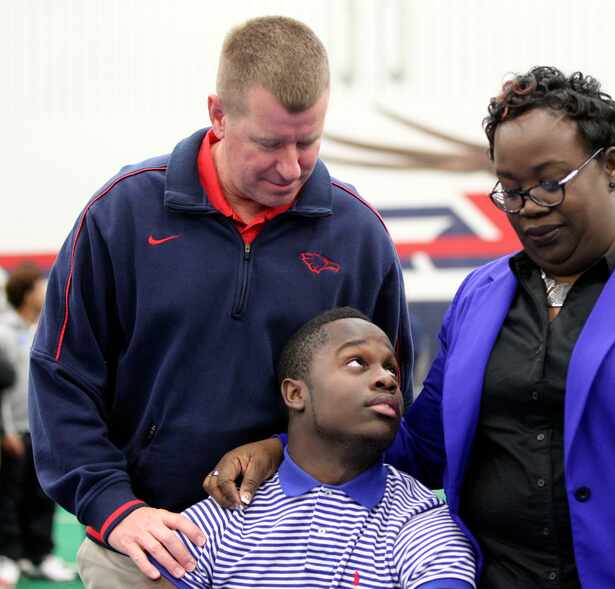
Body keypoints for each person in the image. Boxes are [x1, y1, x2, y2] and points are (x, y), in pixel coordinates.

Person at [208, 66, 615, 588]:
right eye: (509, 190)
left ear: (610, 166)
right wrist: (280, 449)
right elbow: (424, 446)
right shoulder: (481, 295)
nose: (529, 206)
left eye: (550, 182)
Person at [28, 15, 412, 589]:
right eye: (269, 143)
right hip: (148, 546)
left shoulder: (357, 236)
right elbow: (62, 377)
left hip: (298, 554)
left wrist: (278, 449)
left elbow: (384, 404)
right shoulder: (123, 214)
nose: (290, 167)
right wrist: (114, 507)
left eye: (308, 141)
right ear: (218, 114)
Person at [151, 307, 476, 589]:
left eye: (391, 368)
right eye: (356, 362)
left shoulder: (422, 520)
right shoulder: (219, 516)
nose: (387, 380)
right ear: (295, 394)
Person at [0, 263, 76, 587]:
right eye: (39, 286)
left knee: (43, 495)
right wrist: (4, 430)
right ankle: (10, 555)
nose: (45, 291)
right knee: (9, 497)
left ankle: (39, 555)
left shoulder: (42, 329)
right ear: (26, 292)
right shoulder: (3, 331)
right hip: (13, 431)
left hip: (41, 431)